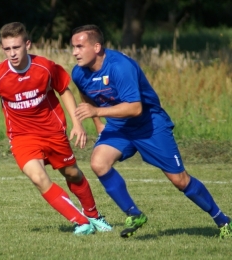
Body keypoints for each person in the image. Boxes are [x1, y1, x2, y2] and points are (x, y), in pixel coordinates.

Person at [70, 24, 232, 239]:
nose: (74, 52)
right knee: (99, 163)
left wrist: (96, 111)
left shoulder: (120, 66)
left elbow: (135, 108)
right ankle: (134, 214)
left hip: (149, 124)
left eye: (80, 46)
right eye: (73, 47)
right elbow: (86, 94)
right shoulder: (79, 73)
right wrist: (99, 124)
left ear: (97, 47)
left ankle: (223, 220)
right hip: (120, 125)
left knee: (180, 180)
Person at [0, 22, 112, 236]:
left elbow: (64, 90)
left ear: (27, 44)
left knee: (72, 174)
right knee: (38, 177)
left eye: (16, 47)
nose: (12, 53)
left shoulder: (45, 67)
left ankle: (94, 216)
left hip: (52, 132)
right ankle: (81, 222)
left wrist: (77, 123)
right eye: (7, 49)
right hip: (21, 137)